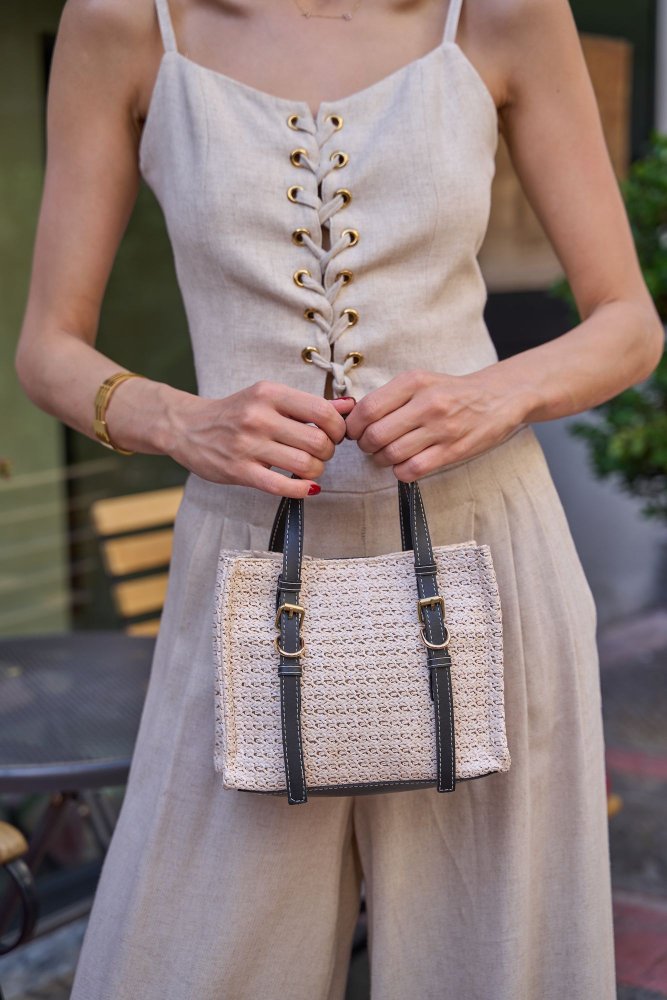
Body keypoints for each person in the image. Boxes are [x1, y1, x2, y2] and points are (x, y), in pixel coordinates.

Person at [15, 0, 663, 996]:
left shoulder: (500, 14)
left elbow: (628, 322)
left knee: (492, 966)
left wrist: (494, 395)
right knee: (187, 961)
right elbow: (48, 346)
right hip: (247, 571)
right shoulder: (128, 23)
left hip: (484, 565)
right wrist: (181, 421)